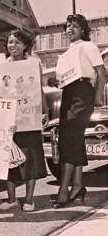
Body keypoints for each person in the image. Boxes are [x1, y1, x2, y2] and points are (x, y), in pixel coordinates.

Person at [50, 14, 106, 208]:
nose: (70, 29)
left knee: (69, 139)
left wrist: (98, 96)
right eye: (67, 26)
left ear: (83, 29)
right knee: (73, 139)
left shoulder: (88, 46)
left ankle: (64, 190)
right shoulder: (66, 53)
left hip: (83, 94)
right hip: (67, 94)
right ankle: (78, 185)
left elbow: (101, 71)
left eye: (74, 26)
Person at [0, 29, 49, 212]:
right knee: (9, 160)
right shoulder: (2, 66)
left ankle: (29, 199)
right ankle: (11, 199)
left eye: (17, 42)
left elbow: (39, 89)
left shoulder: (34, 63)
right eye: (10, 42)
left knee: (30, 159)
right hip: (9, 121)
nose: (13, 46)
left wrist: (46, 110)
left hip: (29, 118)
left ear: (26, 45)